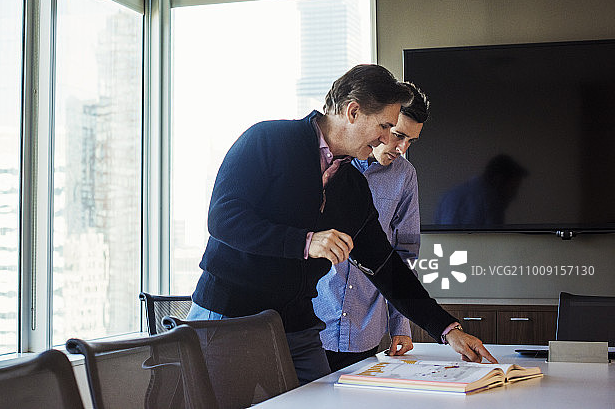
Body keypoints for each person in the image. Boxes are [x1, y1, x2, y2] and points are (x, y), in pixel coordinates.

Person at [188, 64, 496, 385]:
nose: (387, 138)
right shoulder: (268, 139)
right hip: (229, 315)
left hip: (296, 325)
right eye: (385, 126)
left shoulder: (353, 188)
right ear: (352, 112)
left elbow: (386, 267)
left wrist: (447, 330)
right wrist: (306, 242)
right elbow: (224, 218)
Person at [313, 82, 429, 373]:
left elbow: (404, 254)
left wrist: (400, 324)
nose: (401, 148)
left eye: (410, 141)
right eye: (397, 134)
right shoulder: (329, 164)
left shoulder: (405, 176)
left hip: (364, 330)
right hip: (313, 324)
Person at [435, 154, 528, 227]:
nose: (514, 195)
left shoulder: (449, 196)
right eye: (513, 188)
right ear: (499, 180)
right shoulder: (491, 201)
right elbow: (494, 243)